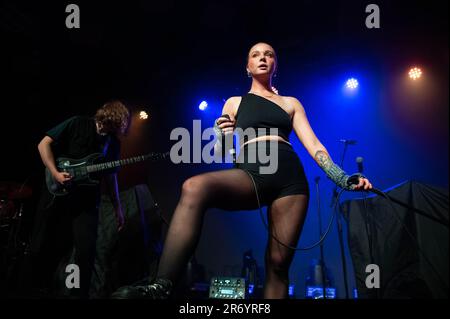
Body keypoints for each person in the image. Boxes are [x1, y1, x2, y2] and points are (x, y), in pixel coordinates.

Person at [112, 42, 372, 299]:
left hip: (290, 181)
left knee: (278, 264)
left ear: (274, 64)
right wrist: (220, 133)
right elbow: (221, 151)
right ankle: (161, 286)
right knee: (193, 187)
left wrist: (341, 176)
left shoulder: (291, 103)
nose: (262, 58)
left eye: (269, 55)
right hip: (252, 174)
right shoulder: (235, 103)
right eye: (255, 55)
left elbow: (314, 144)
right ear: (247, 66)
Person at [26, 100, 130, 298]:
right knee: (43, 241)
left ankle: (79, 294)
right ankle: (33, 287)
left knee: (86, 249)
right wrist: (56, 173)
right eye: (116, 125)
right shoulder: (77, 123)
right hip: (57, 191)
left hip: (87, 200)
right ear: (109, 118)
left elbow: (111, 176)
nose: (117, 130)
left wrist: (118, 208)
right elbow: (43, 144)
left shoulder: (113, 142)